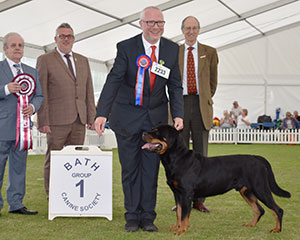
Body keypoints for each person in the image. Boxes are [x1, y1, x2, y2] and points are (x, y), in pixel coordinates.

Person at [94, 6, 183, 232]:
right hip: (127, 119)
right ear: (141, 24)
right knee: (130, 169)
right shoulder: (126, 47)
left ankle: (148, 217)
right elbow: (113, 80)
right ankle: (132, 216)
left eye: (160, 23)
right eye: (151, 22)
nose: (156, 27)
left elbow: (174, 85)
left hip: (156, 122)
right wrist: (102, 112)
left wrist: (178, 114)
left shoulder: (172, 49)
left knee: (151, 170)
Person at [36, 23, 96, 197]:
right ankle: (52, 194)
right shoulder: (45, 59)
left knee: (75, 160)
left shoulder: (83, 60)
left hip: (80, 120)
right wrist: (43, 121)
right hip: (56, 121)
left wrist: (91, 116)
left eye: (69, 36)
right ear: (55, 39)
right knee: (54, 158)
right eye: (62, 36)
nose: (66, 39)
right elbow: (42, 92)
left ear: (74, 39)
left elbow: (88, 91)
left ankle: (71, 194)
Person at [0, 32, 43, 215]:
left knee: (19, 168)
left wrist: (33, 107)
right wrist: (6, 89)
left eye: (20, 45)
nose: (18, 48)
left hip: (23, 130)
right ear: (5, 49)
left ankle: (16, 203)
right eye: (13, 45)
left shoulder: (31, 71)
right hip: (2, 128)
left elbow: (39, 95)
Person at [178, 16, 218, 212]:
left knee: (201, 155)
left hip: (201, 105)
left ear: (199, 30)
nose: (191, 31)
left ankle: (199, 200)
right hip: (180, 105)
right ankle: (181, 200)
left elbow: (213, 83)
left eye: (194, 28)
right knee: (180, 155)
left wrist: (204, 98)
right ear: (182, 30)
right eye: (187, 28)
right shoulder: (173, 52)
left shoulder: (210, 52)